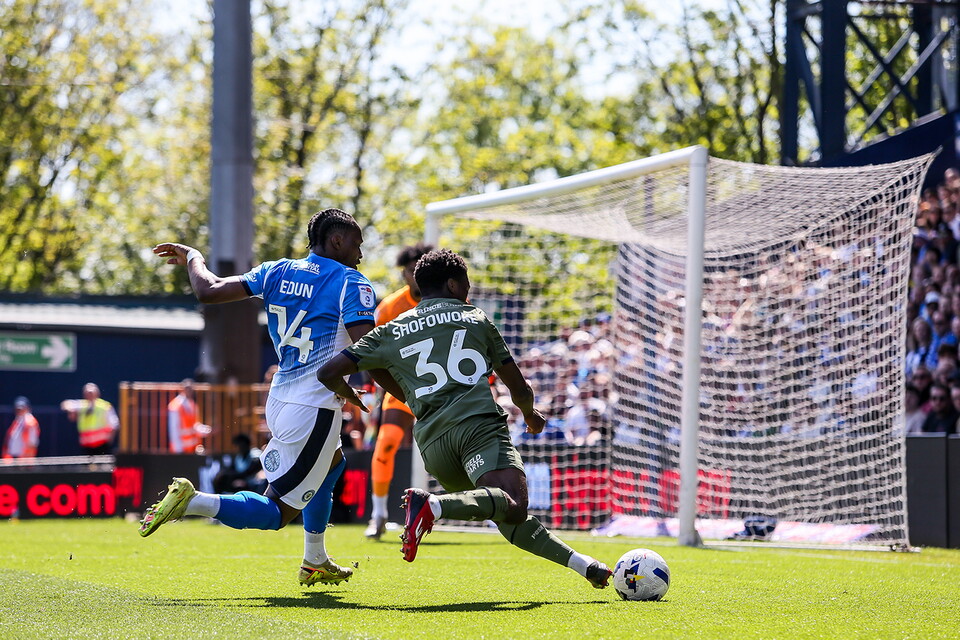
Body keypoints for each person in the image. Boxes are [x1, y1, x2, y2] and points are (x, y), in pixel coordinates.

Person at [317, 248, 613, 590]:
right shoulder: (474, 317)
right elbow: (518, 387)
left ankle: (586, 566)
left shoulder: (392, 328)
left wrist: (364, 394)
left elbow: (329, 372)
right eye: (467, 281)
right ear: (453, 284)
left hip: (434, 446)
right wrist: (530, 415)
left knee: (503, 511)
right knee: (513, 504)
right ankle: (432, 505)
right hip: (477, 428)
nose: (469, 288)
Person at [141, 207, 402, 587]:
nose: (360, 254)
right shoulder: (351, 282)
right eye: (357, 244)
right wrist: (410, 394)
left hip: (282, 398)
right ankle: (193, 501)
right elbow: (369, 351)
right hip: (314, 407)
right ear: (336, 240)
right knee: (278, 512)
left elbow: (208, 290)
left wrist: (194, 257)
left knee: (332, 465)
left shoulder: (276, 270)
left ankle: (315, 559)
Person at [365, 242, 432, 539]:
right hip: (403, 386)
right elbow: (368, 348)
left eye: (419, 268)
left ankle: (482, 508)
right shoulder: (390, 307)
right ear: (403, 273)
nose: (414, 275)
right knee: (386, 442)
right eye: (409, 270)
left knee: (459, 446)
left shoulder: (452, 301)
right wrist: (373, 387)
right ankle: (378, 514)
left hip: (443, 387)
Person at [61, 383, 119, 455]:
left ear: (97, 394)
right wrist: (71, 411)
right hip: (86, 445)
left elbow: (114, 424)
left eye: (91, 393)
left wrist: (109, 440)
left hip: (102, 445)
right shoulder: (82, 405)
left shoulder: (105, 407)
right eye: (87, 393)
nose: (89, 395)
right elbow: (65, 404)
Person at [168, 378, 203, 454]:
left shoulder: (193, 405)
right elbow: (173, 429)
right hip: (180, 449)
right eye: (187, 388)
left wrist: (206, 430)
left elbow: (195, 425)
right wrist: (178, 449)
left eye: (191, 389)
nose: (189, 391)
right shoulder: (175, 406)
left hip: (192, 448)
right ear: (182, 389)